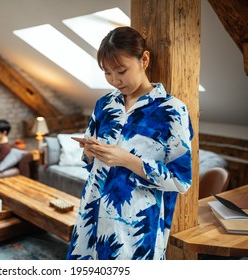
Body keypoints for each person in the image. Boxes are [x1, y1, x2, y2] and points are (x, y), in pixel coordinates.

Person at [66, 26, 193, 260]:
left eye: (121, 71)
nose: (114, 80)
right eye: (107, 73)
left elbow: (181, 181)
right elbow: (88, 163)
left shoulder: (172, 110)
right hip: (91, 212)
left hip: (134, 227)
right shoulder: (104, 104)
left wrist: (128, 160)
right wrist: (91, 152)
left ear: (144, 59)